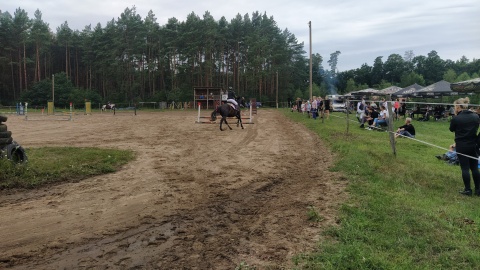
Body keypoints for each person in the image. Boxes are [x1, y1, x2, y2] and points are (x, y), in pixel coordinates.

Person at [449, 97, 480, 196]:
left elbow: (451, 129)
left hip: (462, 145)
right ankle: (478, 190)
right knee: (474, 168)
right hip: (474, 145)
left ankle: (468, 190)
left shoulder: (456, 118)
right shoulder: (475, 116)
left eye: (455, 107)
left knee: (465, 168)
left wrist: (456, 116)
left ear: (458, 107)